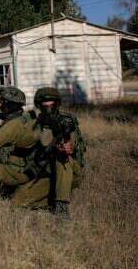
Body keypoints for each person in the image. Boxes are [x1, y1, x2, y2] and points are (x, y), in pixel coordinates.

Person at [31, 87, 86, 217]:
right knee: (19, 200)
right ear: (39, 105)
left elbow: (72, 140)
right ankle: (50, 199)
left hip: (68, 171)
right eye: (45, 104)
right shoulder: (36, 122)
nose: (48, 107)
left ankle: (62, 208)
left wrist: (67, 146)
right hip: (45, 172)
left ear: (57, 103)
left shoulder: (66, 120)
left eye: (51, 103)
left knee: (62, 158)